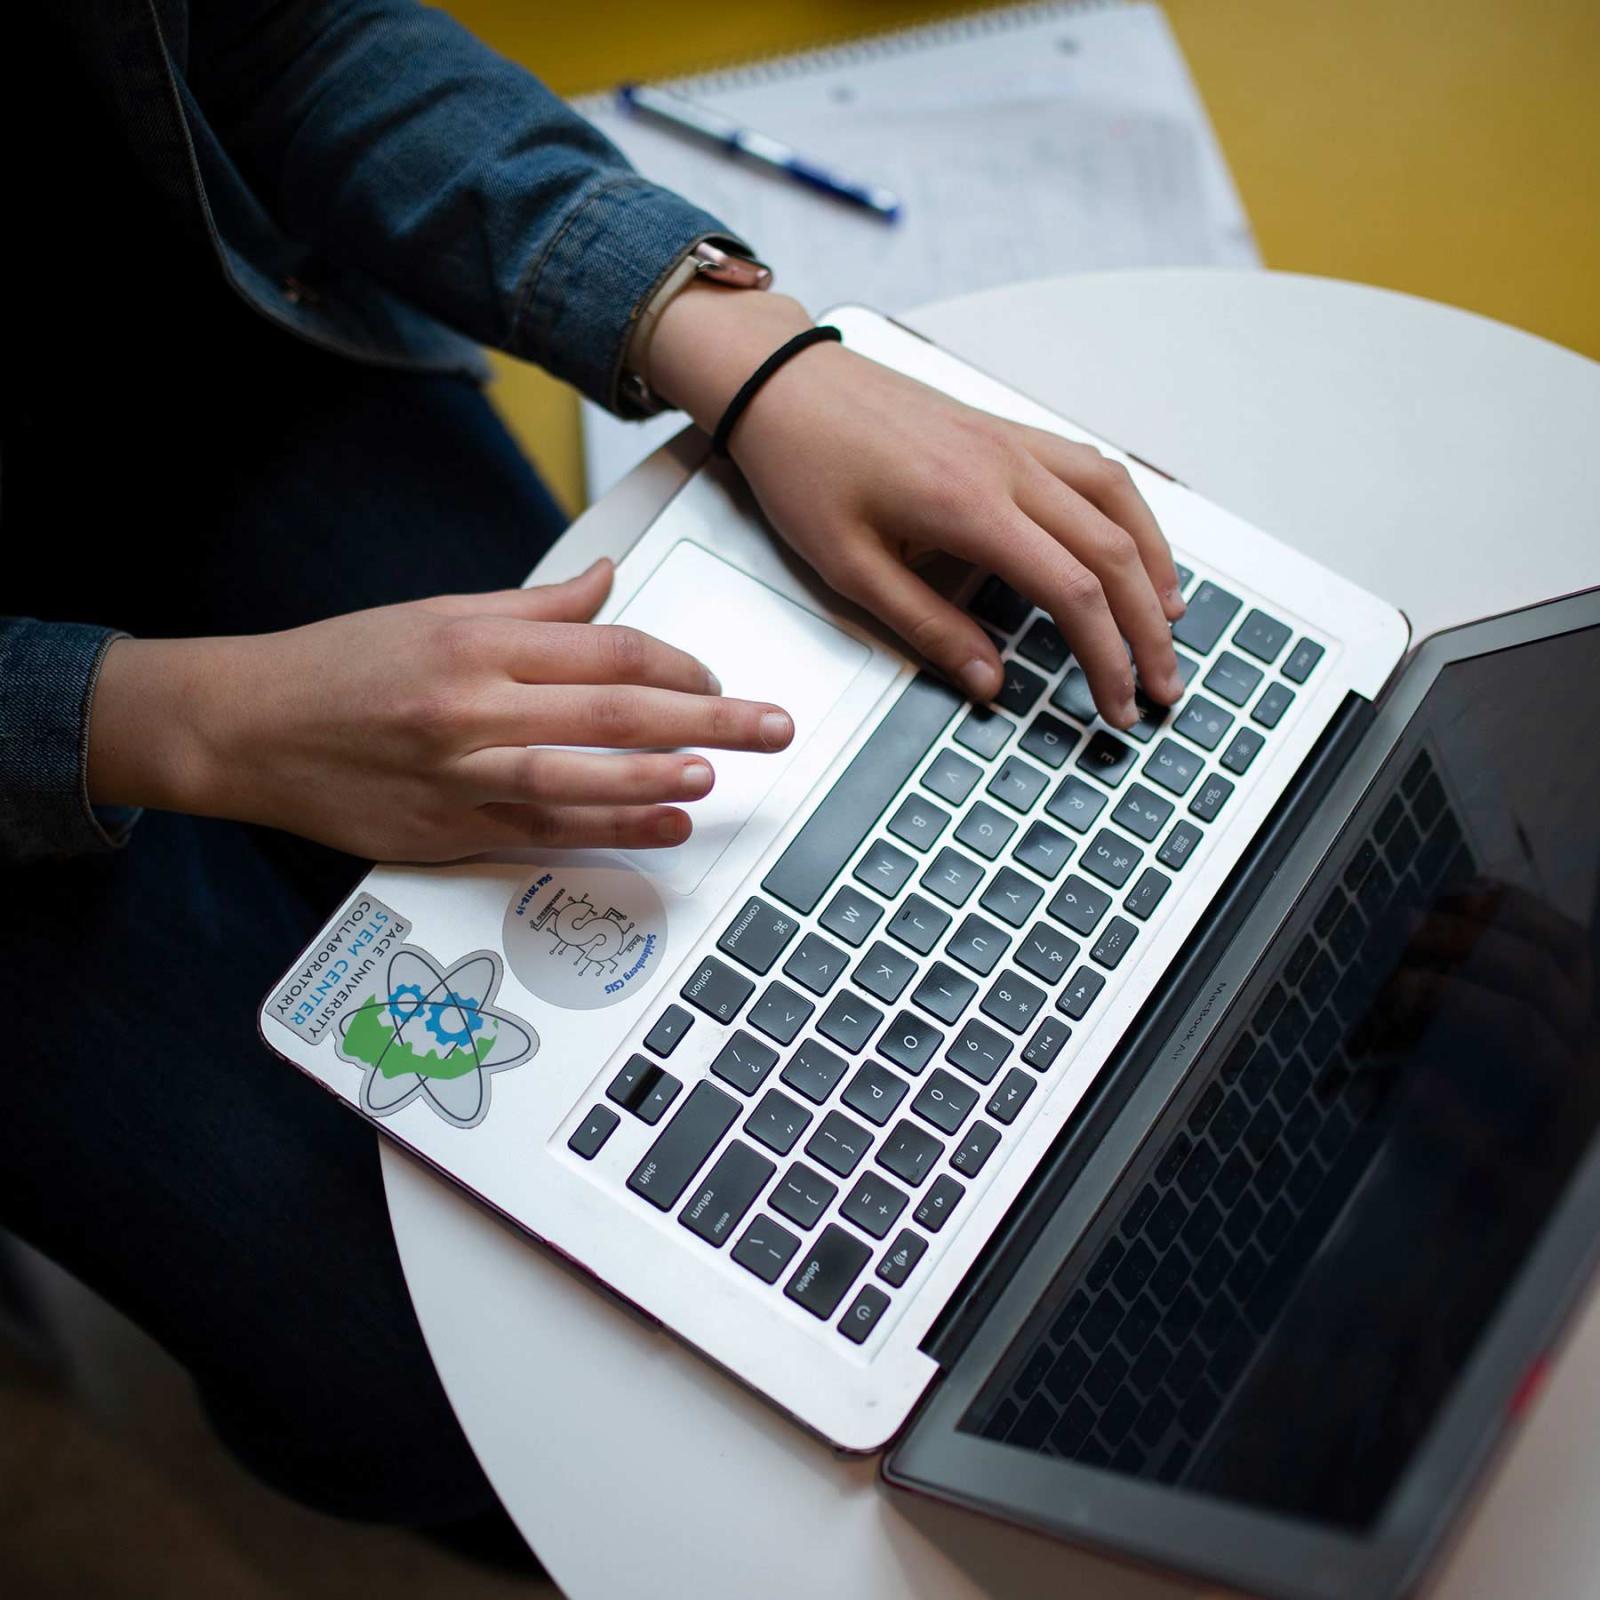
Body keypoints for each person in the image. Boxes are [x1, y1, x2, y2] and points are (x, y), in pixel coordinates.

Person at [0, 0, 1187, 1559]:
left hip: (230, 349)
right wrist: (191, 726)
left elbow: (275, 39)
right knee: (400, 1368)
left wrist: (756, 358)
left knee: (740, 928)